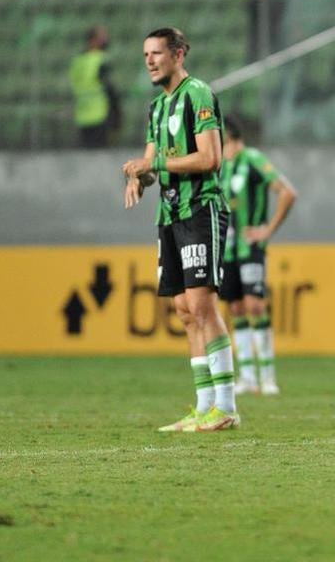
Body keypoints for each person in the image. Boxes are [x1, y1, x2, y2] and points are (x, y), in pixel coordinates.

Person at [121, 28, 237, 432]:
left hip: (200, 210)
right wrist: (139, 175)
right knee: (185, 311)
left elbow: (210, 158)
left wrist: (153, 166)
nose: (150, 60)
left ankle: (226, 406)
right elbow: (155, 165)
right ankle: (204, 406)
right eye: (145, 54)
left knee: (203, 306)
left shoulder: (198, 94)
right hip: (169, 216)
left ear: (179, 54)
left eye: (157, 53)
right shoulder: (156, 108)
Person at [218, 115, 297, 397]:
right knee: (236, 308)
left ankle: (267, 377)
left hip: (250, 247)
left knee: (255, 306)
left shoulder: (252, 159)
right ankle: (248, 377)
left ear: (227, 136)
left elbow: (287, 192)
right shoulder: (221, 167)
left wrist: (267, 230)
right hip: (226, 249)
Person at [69, 26, 120, 148]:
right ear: (92, 40)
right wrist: (117, 113)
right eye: (102, 38)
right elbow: (109, 88)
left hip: (82, 115)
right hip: (100, 115)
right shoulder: (100, 60)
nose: (106, 40)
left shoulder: (78, 61)